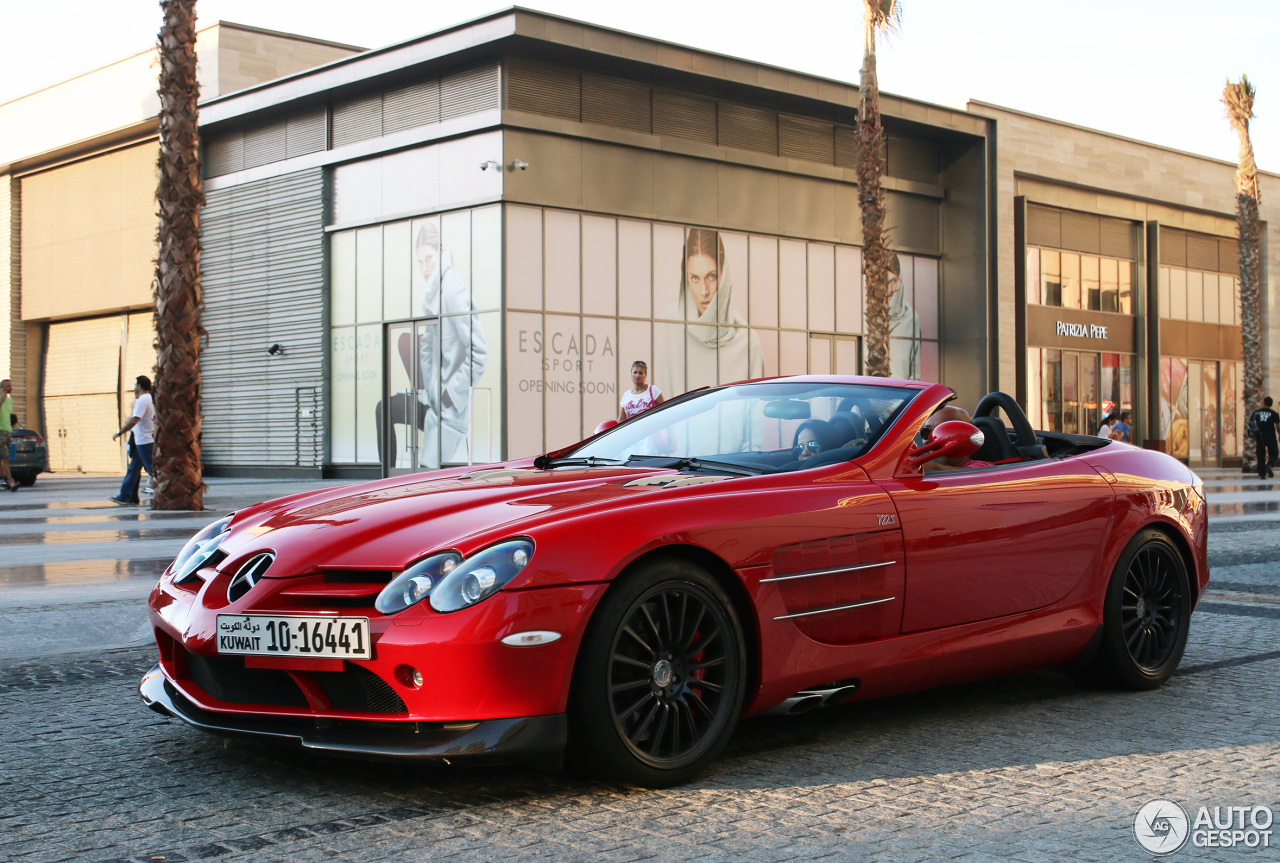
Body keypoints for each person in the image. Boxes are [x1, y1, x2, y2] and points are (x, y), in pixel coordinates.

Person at [376, 222, 488, 469]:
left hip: (449, 411)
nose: (425, 268)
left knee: (428, 479)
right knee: (384, 409)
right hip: (434, 400)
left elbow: (479, 354)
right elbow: (427, 346)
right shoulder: (433, 293)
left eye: (429, 258)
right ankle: (386, 476)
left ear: (440, 253)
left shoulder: (453, 291)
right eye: (419, 261)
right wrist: (429, 386)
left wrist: (448, 394)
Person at [655, 229, 763, 455]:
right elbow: (660, 415)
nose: (704, 291)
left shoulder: (747, 342)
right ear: (685, 277)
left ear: (724, 275)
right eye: (695, 278)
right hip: (675, 472)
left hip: (732, 475)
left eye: (711, 276)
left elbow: (754, 430)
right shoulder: (671, 326)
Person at [110, 376, 155, 505]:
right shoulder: (149, 398)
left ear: (139, 386)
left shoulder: (143, 400)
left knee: (152, 470)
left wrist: (120, 432)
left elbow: (135, 419)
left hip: (144, 441)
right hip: (142, 440)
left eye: (135, 385)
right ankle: (128, 497)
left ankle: (164, 493)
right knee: (133, 469)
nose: (134, 387)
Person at [920, 405, 994, 472]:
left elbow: (974, 476)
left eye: (940, 433)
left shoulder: (985, 469)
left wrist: (927, 466)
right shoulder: (918, 471)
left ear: (965, 438)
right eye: (926, 432)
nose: (929, 440)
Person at [1248, 396, 1279, 480]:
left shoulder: (1256, 413)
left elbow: (1251, 423)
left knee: (1261, 454)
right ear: (1271, 404)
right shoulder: (1274, 414)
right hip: (1271, 436)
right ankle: (1269, 465)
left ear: (1263, 402)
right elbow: (1278, 426)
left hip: (1260, 436)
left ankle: (1262, 473)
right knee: (1274, 453)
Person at [0, 380, 15, 492]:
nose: (11, 387)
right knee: (4, 457)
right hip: (0, 431)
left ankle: (3, 480)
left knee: (2, 457)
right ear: (2, 387)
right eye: (8, 386)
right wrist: (2, 400)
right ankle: (10, 481)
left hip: (7, 430)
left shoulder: (9, 400)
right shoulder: (3, 399)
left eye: (11, 385)